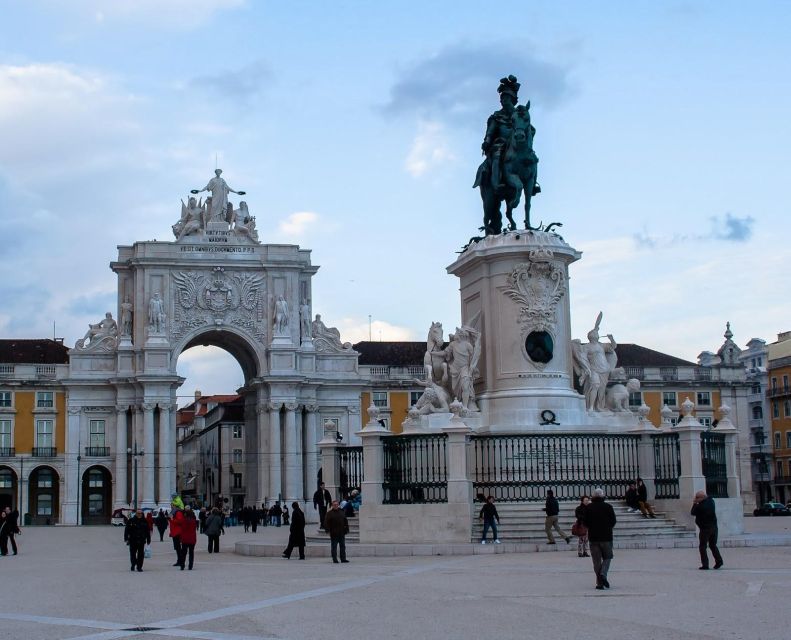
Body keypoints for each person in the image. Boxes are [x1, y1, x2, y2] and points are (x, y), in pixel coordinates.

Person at [582, 488, 617, 590]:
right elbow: (613, 521)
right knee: (608, 557)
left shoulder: (589, 508)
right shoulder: (608, 507)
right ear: (603, 496)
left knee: (596, 561)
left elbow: (585, 522)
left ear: (593, 496)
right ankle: (603, 573)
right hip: (606, 537)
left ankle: (599, 583)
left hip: (594, 537)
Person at [691, 490, 723, 570]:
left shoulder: (701, 506)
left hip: (705, 529)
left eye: (697, 497)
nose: (696, 499)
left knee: (702, 546)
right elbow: (708, 498)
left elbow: (692, 512)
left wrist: (695, 503)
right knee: (713, 545)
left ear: (701, 498)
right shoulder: (711, 502)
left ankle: (705, 564)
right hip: (714, 527)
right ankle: (719, 561)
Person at [169, 499, 185, 566]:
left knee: (178, 548)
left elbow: (180, 521)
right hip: (175, 532)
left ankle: (180, 561)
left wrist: (172, 519)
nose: (171, 506)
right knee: (177, 548)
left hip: (177, 532)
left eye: (172, 505)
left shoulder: (178, 512)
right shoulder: (174, 512)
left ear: (175, 505)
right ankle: (179, 560)